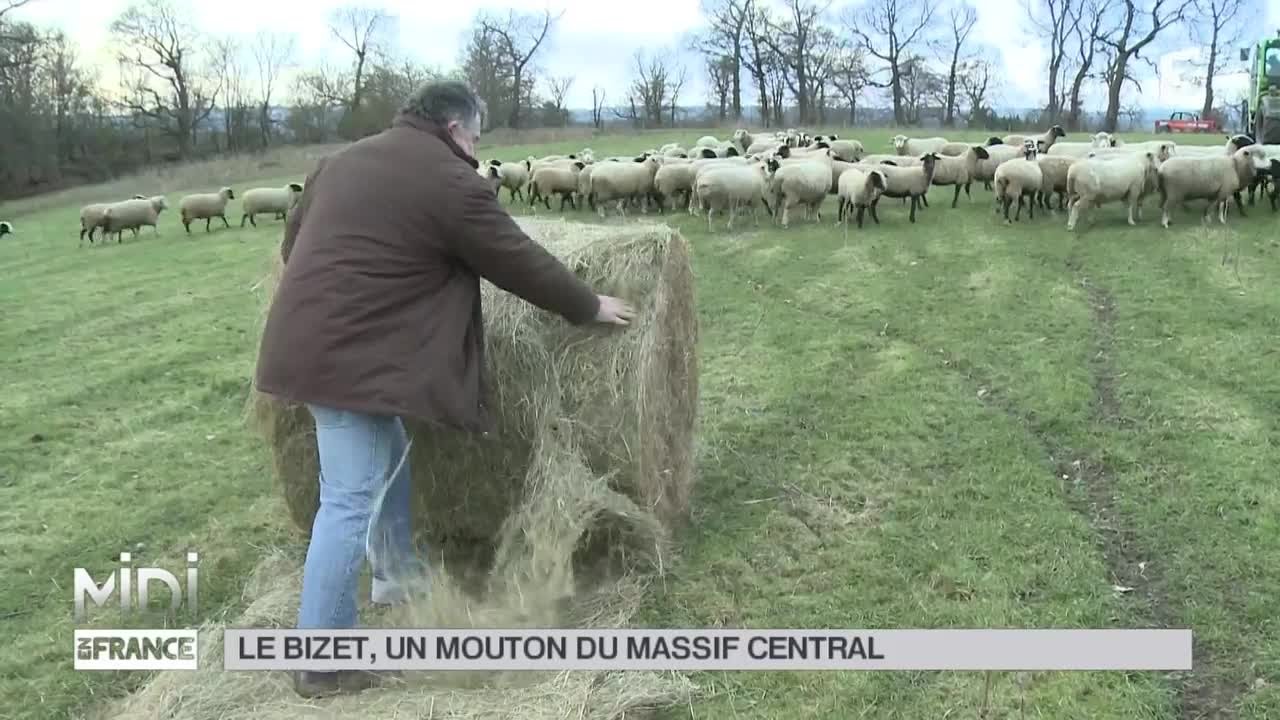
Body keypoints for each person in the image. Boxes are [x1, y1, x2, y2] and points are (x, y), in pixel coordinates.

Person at [253, 80, 635, 698]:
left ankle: (397, 578)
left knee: (389, 456)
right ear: (455, 129)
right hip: (346, 360)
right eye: (476, 140)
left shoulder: (341, 162)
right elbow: (515, 257)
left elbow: (295, 245)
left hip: (318, 346)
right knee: (347, 499)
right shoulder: (449, 178)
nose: (477, 153)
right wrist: (586, 304)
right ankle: (321, 660)